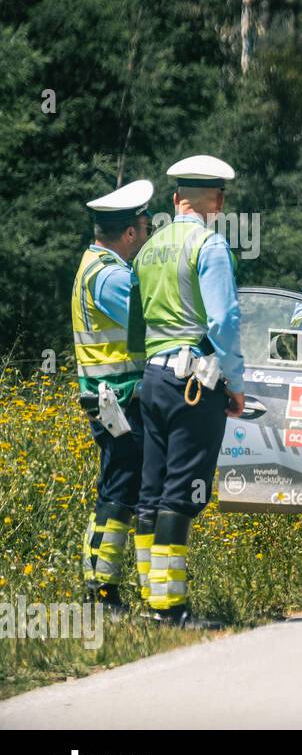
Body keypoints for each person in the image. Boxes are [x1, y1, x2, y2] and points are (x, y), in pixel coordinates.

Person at [132, 155, 244, 627]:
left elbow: (134, 324)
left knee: (150, 491)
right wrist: (235, 385)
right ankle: (170, 608)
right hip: (193, 382)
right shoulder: (210, 245)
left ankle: (148, 598)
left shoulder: (148, 248)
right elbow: (223, 320)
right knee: (180, 493)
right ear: (216, 202)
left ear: (174, 200)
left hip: (152, 381)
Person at [73, 179, 153, 613]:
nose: (146, 234)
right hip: (117, 401)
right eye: (143, 227)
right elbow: (151, 320)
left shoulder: (94, 265)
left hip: (113, 399)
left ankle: (121, 588)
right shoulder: (111, 276)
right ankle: (100, 592)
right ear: (128, 233)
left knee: (127, 491)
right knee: (120, 493)